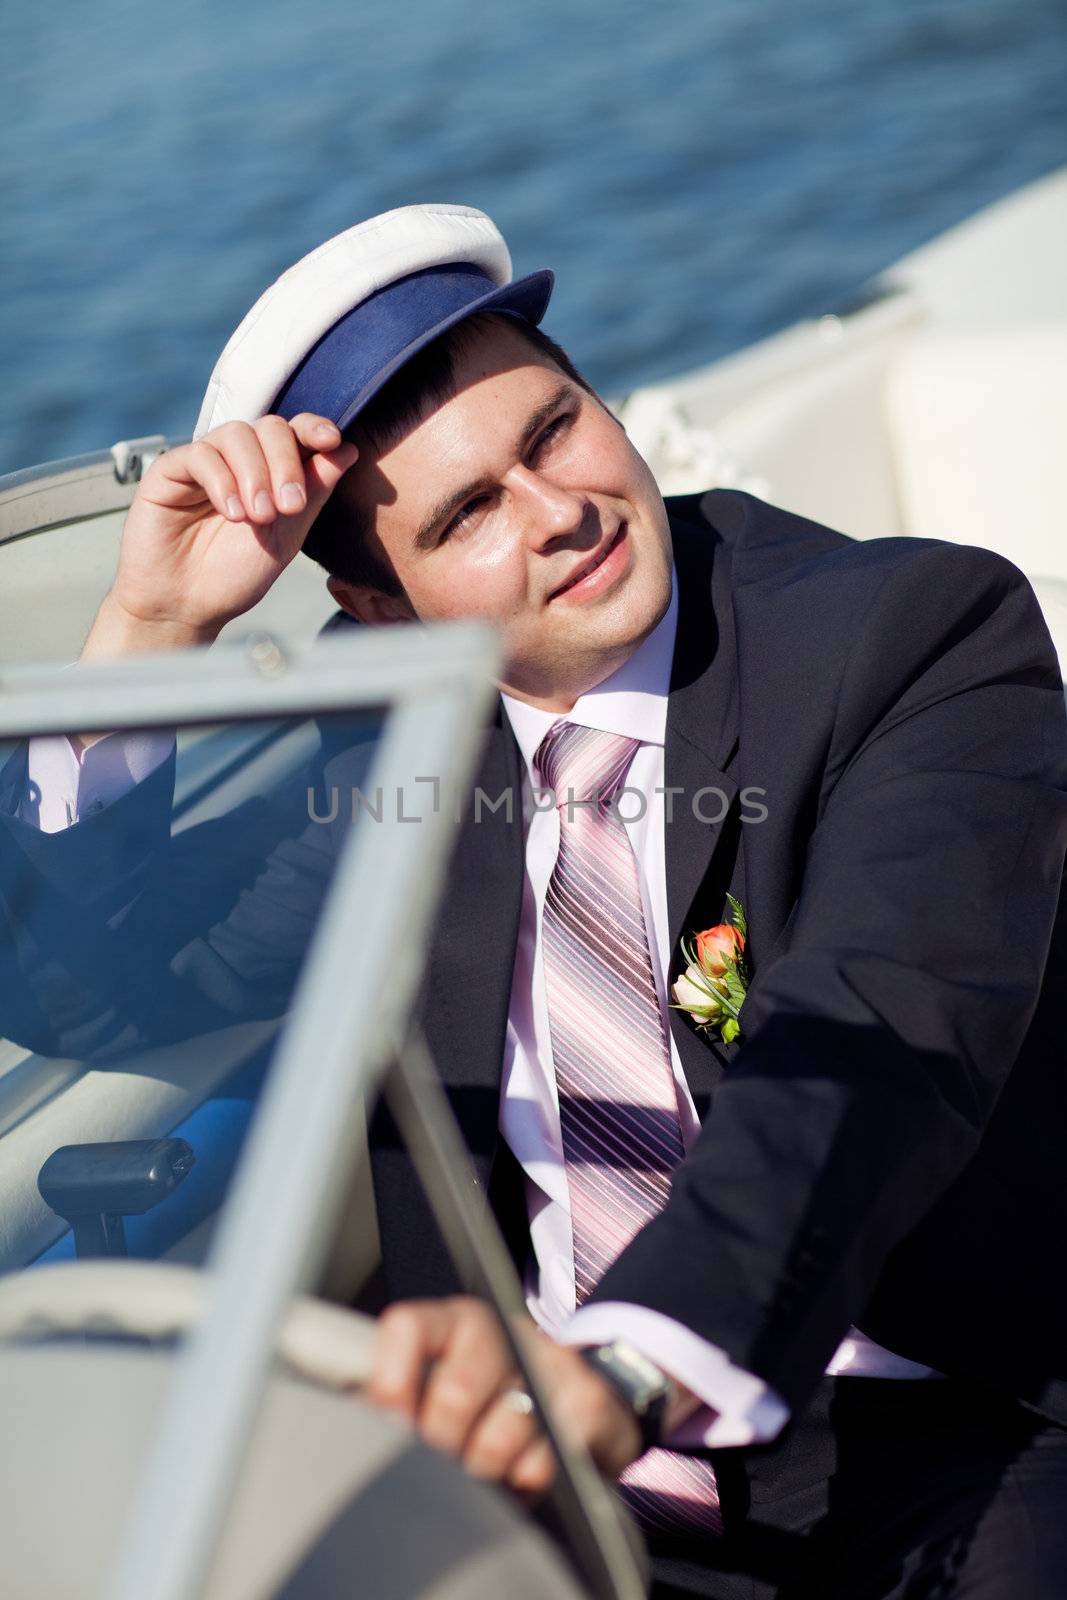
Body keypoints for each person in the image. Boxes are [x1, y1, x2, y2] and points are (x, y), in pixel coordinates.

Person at [8, 204, 1067, 1598]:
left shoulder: (913, 636)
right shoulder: (395, 740)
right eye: (467, 514)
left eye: (553, 430)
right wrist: (155, 633)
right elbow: (98, 985)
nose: (559, 511)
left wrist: (632, 1358)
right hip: (535, 1439)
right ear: (383, 613)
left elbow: (861, 1049)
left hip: (927, 1410)